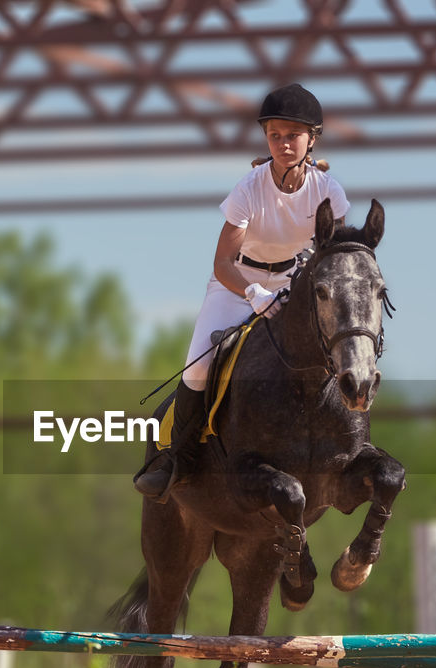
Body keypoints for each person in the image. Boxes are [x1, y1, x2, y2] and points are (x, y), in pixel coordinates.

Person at [134, 83, 352, 499]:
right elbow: (222, 263)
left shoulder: (329, 191)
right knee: (199, 366)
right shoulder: (248, 189)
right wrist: (253, 293)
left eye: (292, 135)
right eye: (275, 136)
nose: (284, 144)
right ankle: (177, 459)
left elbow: (335, 261)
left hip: (293, 284)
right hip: (236, 284)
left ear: (312, 138)